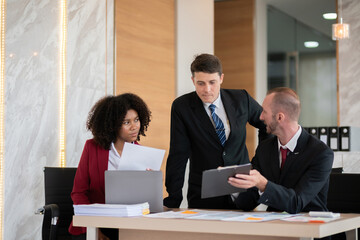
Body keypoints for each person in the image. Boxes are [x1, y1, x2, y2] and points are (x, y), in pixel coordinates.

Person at [164, 53, 268, 209]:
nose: (207, 89)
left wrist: (257, 166)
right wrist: (173, 200)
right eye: (200, 83)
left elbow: (268, 126)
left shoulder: (241, 99)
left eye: (212, 82)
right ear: (193, 80)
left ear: (221, 78)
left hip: (243, 192)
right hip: (204, 195)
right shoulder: (182, 107)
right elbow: (178, 155)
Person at [228, 87, 334, 214]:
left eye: (264, 112)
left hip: (311, 227)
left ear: (279, 117)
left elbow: (297, 202)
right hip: (275, 226)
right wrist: (233, 183)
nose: (260, 117)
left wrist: (263, 184)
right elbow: (248, 201)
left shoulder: (321, 153)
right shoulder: (265, 148)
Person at [68, 93, 151, 240]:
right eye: (126, 122)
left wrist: (150, 184)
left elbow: (144, 202)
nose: (134, 127)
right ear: (113, 125)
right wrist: (95, 229)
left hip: (129, 225)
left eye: (136, 120)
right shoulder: (92, 148)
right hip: (96, 223)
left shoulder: (142, 153)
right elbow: (79, 193)